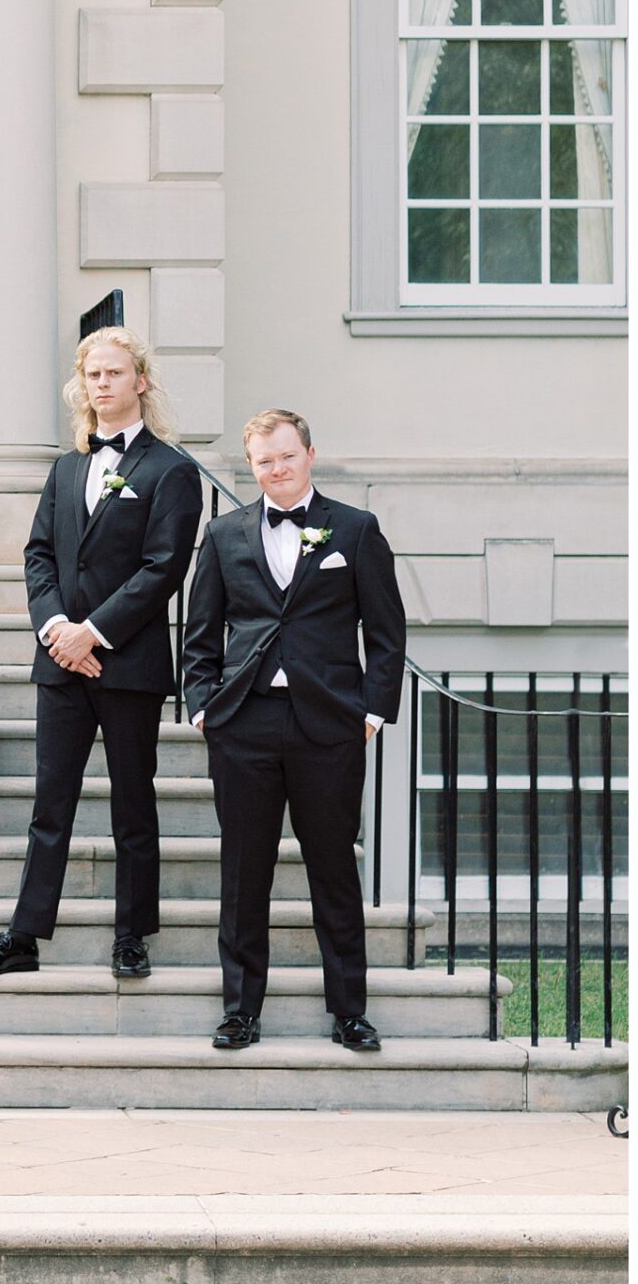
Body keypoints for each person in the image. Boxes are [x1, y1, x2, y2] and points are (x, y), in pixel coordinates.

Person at [0, 326, 199, 984]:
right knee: (49, 805)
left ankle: (131, 934)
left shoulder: (171, 471)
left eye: (114, 373)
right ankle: (26, 933)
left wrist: (94, 632)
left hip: (127, 664)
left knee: (132, 804)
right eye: (92, 374)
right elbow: (38, 554)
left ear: (139, 382)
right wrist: (57, 628)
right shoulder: (65, 468)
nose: (102, 383)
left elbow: (162, 567)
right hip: (60, 664)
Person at [182, 406, 406, 1054]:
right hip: (243, 723)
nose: (275, 469)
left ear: (308, 454)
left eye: (284, 456)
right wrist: (202, 708)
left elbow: (385, 634)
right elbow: (198, 634)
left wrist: (370, 712)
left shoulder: (355, 530)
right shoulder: (223, 535)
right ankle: (239, 1010)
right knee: (242, 873)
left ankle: (349, 1012)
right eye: (262, 461)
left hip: (327, 728)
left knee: (333, 870)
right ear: (250, 468)